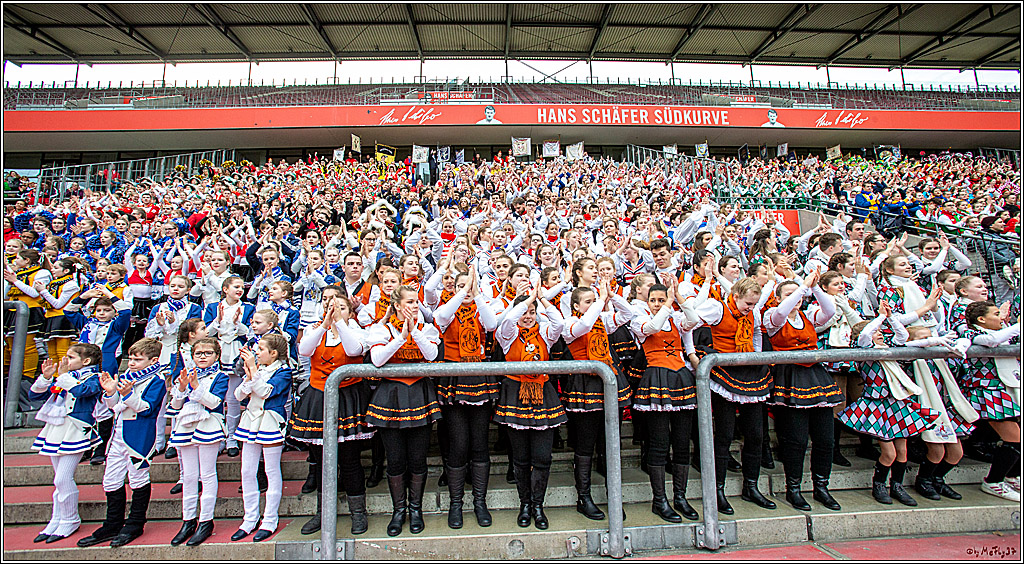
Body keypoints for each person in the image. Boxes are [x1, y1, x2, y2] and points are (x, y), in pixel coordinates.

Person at [839, 305, 940, 506]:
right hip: (876, 404)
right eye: (877, 331)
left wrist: (891, 318)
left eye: (880, 331)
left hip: (896, 403)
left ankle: (897, 486)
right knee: (889, 452)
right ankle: (879, 484)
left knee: (902, 451)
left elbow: (902, 335)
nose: (880, 333)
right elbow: (866, 334)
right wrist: (879, 318)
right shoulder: (864, 350)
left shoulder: (889, 347)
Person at [293, 288, 374, 536]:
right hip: (319, 397)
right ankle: (322, 512)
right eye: (331, 306)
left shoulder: (358, 331)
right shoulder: (315, 330)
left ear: (350, 311)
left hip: (348, 396)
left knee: (349, 461)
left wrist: (342, 323)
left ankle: (358, 513)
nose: (334, 311)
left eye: (340, 307)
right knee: (320, 461)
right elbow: (304, 351)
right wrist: (324, 324)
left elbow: (353, 350)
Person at [364, 285, 442, 537]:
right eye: (409, 302)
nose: (414, 306)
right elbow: (377, 359)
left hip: (420, 394)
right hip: (391, 397)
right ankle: (399, 511)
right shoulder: (382, 329)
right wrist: (400, 335)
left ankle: (416, 509)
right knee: (395, 459)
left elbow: (431, 355)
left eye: (416, 302)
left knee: (418, 458)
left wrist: (414, 331)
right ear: (397, 305)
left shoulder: (426, 328)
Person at [763, 270, 844, 511]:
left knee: (825, 438)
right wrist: (800, 287)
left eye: (797, 294)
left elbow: (830, 311)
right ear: (778, 297)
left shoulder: (808, 315)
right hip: (789, 376)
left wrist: (815, 287)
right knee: (796, 439)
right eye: (788, 294)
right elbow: (780, 312)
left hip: (814, 375)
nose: (795, 297)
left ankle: (821, 486)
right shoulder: (772, 316)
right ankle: (794, 488)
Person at [77, 338, 167, 548]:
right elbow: (114, 407)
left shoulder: (157, 381)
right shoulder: (127, 376)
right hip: (118, 435)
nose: (132, 362)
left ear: (153, 360)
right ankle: (112, 524)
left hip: (140, 436)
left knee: (137, 478)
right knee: (111, 480)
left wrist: (127, 394)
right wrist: (110, 392)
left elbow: (146, 409)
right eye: (132, 358)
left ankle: (135, 523)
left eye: (138, 359)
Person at [493, 286, 565, 529]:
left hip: (543, 393)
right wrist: (523, 303)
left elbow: (558, 322)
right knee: (521, 458)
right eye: (524, 312)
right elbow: (508, 320)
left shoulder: (545, 332)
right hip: (515, 395)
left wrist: (541, 300)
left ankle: (538, 505)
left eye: (532, 312)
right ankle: (525, 504)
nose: (528, 316)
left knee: (542, 457)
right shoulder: (508, 334)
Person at [628, 281, 701, 522]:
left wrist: (679, 297)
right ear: (647, 302)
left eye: (661, 299)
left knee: (681, 442)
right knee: (659, 443)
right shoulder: (639, 318)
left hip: (680, 376)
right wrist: (668, 305)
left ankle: (680, 496)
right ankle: (659, 500)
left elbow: (693, 320)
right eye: (654, 300)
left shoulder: (675, 317)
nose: (658, 304)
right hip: (656, 376)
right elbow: (651, 327)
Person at [432, 267, 499, 529]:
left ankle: (479, 502)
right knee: (458, 444)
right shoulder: (448, 310)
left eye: (470, 286)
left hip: (479, 375)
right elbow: (441, 315)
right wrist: (461, 291)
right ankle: (456, 503)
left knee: (479, 443)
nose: (467, 290)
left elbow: (492, 324)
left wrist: (477, 294)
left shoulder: (482, 307)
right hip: (454, 377)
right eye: (461, 285)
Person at [28, 344, 104, 543]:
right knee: (58, 479)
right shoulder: (66, 377)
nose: (65, 361)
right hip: (57, 428)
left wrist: (62, 377)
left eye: (71, 357)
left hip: (76, 429)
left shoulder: (94, 378)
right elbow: (35, 396)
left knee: (62, 478)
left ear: (86, 361)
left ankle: (70, 519)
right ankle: (57, 519)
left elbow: (84, 392)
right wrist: (46, 377)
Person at [168, 337, 230, 547]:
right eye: (198, 353)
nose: (203, 357)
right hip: (186, 424)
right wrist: (183, 387)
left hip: (208, 423)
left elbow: (214, 402)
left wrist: (196, 387)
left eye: (208, 353)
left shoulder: (221, 376)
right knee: (190, 475)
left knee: (207, 473)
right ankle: (188, 520)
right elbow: (175, 405)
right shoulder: (185, 374)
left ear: (217, 356)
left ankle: (206, 520)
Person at [231, 334, 293, 542]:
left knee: (271, 470)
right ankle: (249, 518)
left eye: (260, 350)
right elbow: (238, 395)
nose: (256, 353)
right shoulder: (256, 370)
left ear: (273, 353)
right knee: (247, 470)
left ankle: (270, 519)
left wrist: (253, 372)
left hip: (270, 420)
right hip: (250, 420)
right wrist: (250, 376)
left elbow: (266, 391)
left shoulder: (283, 372)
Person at [960, 301, 1020, 501]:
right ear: (981, 319)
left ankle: (1013, 476)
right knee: (1013, 436)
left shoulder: (1006, 332)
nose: (1001, 317)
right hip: (986, 391)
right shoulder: (970, 334)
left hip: (1007, 388)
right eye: (996, 314)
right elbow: (991, 341)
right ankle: (994, 481)